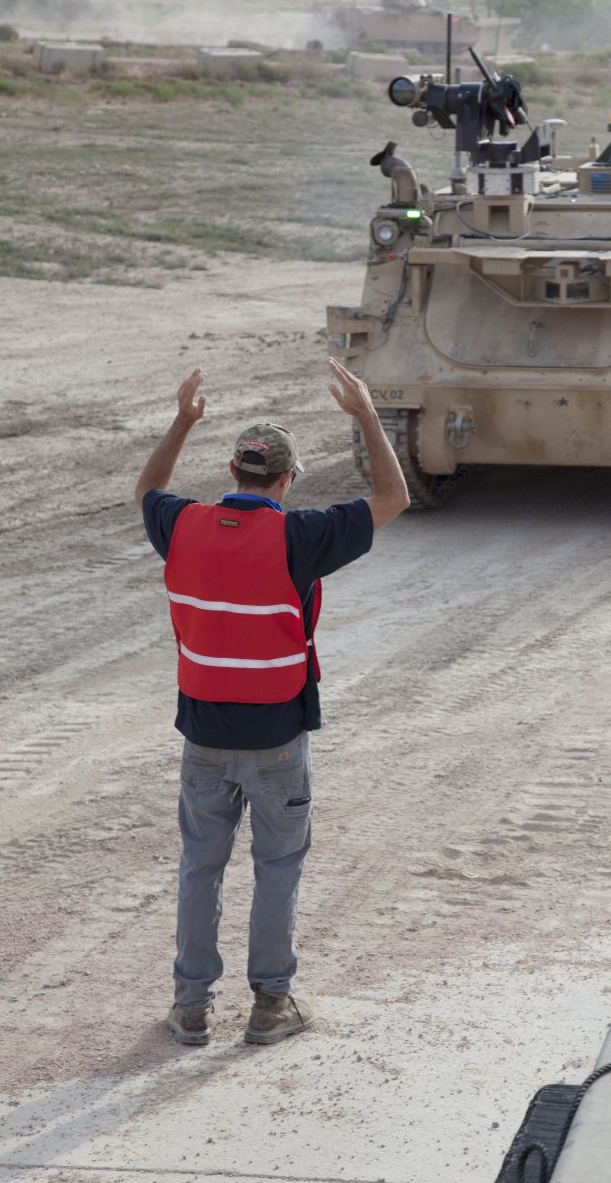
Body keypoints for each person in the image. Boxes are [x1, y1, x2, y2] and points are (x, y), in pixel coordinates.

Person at [134, 359, 409, 1047]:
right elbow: (392, 497)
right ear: (287, 479)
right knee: (276, 868)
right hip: (278, 734)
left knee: (201, 864)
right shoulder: (300, 536)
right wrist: (368, 415)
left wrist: (182, 419)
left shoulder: (182, 525)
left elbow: (147, 488)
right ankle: (269, 1004)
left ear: (232, 470)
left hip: (202, 730)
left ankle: (190, 1006)